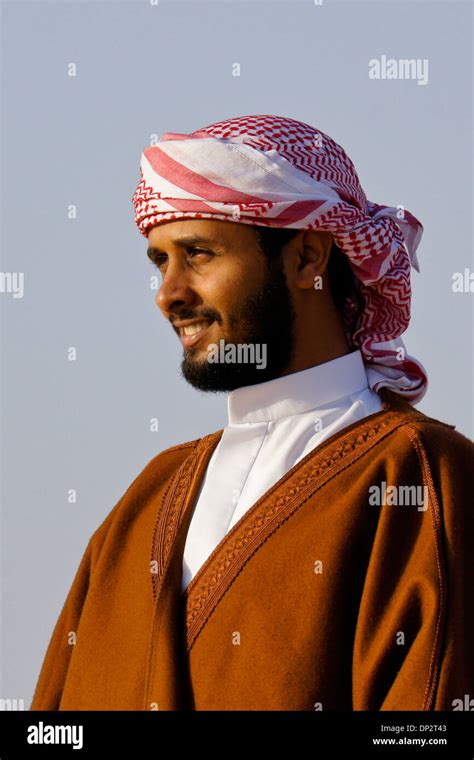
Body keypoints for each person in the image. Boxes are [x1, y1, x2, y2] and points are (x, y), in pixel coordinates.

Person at [30, 114, 474, 711]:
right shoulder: (144, 503)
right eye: (160, 261)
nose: (169, 293)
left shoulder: (418, 478)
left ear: (306, 260)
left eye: (199, 254)